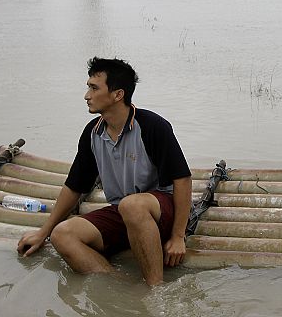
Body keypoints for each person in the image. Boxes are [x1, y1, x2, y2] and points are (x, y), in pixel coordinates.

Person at [17, 57, 192, 285]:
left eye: (93, 88)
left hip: (160, 211)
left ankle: (155, 290)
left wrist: (178, 237)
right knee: (63, 234)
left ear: (117, 95)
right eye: (88, 87)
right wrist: (44, 232)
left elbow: (183, 179)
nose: (86, 95)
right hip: (123, 211)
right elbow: (74, 186)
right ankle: (118, 286)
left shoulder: (152, 126)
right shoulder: (93, 132)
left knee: (133, 205)